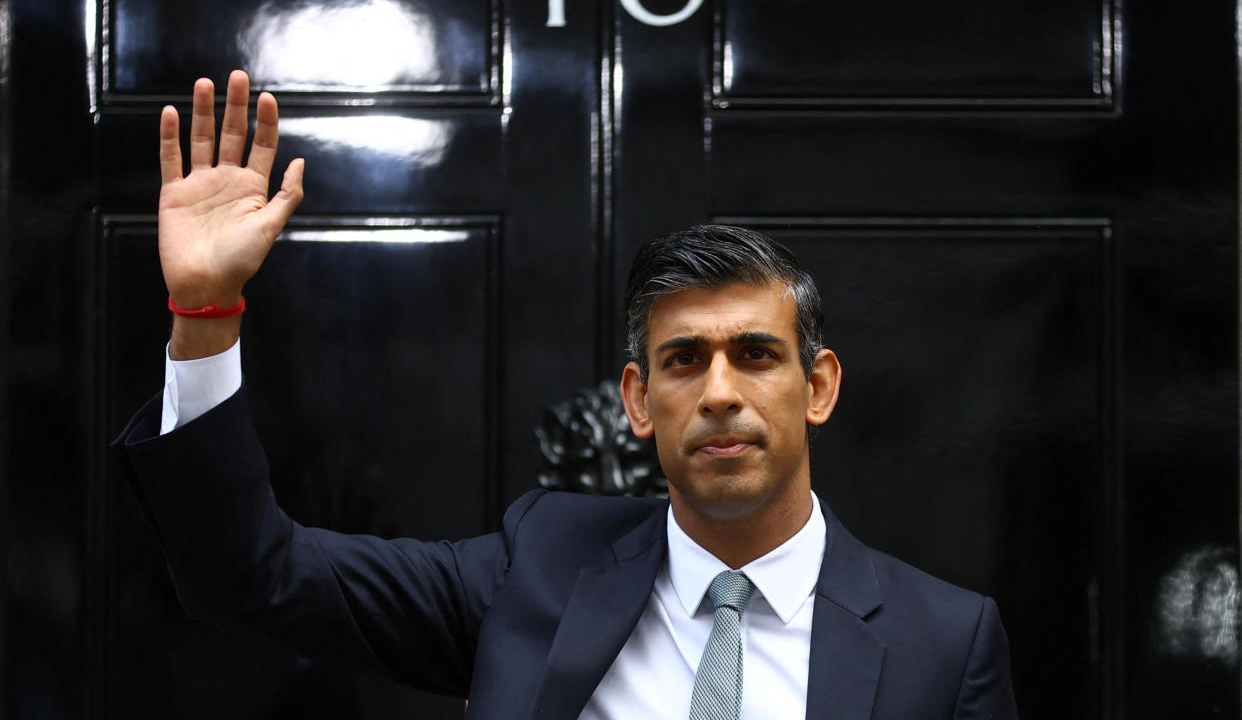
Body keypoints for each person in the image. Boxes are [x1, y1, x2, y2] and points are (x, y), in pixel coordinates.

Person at [115, 71, 1019, 718]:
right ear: (636, 399)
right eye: (682, 361)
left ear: (817, 385)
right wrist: (205, 313)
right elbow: (251, 573)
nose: (719, 393)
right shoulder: (536, 570)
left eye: (755, 355)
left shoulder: (943, 642)